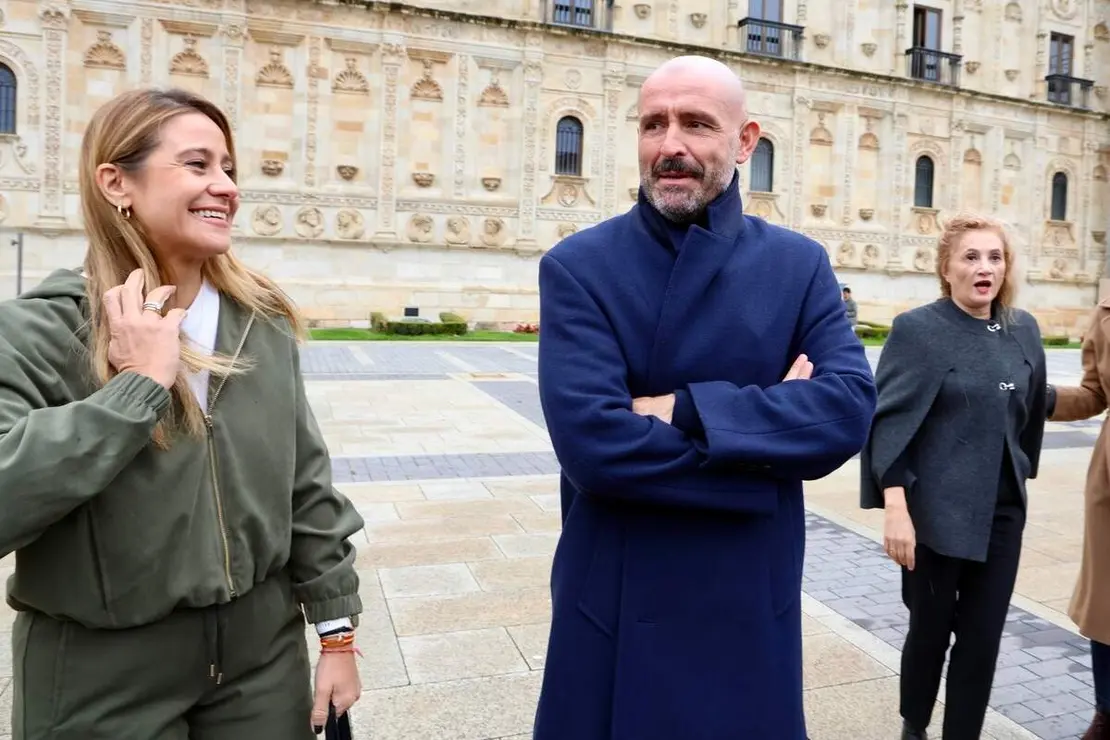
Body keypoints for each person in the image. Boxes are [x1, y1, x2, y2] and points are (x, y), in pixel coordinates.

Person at [0, 88, 365, 739]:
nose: (224, 186)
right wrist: (135, 390)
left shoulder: (263, 322)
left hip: (262, 668)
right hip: (101, 679)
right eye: (198, 165)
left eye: (229, 168)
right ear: (116, 182)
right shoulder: (43, 330)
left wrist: (336, 635)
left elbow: (304, 483)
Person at [532, 55, 877, 740]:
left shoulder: (797, 264)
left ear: (746, 141)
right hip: (618, 601)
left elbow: (845, 410)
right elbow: (595, 447)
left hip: (746, 598)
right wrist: (763, 458)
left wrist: (682, 409)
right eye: (653, 125)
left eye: (697, 124)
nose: (671, 147)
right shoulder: (578, 267)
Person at [859, 214, 1047, 740]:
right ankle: (914, 726)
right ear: (946, 268)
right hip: (934, 513)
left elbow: (1029, 406)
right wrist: (896, 508)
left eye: (995, 257)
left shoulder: (1022, 328)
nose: (984, 268)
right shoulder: (918, 329)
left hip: (1002, 510)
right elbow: (889, 423)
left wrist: (1022, 467)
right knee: (930, 631)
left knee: (982, 639)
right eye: (971, 257)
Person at [1045, 307, 1110, 740]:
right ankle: (1107, 712)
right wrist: (1043, 397)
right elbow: (1094, 392)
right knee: (1106, 603)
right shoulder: (1106, 313)